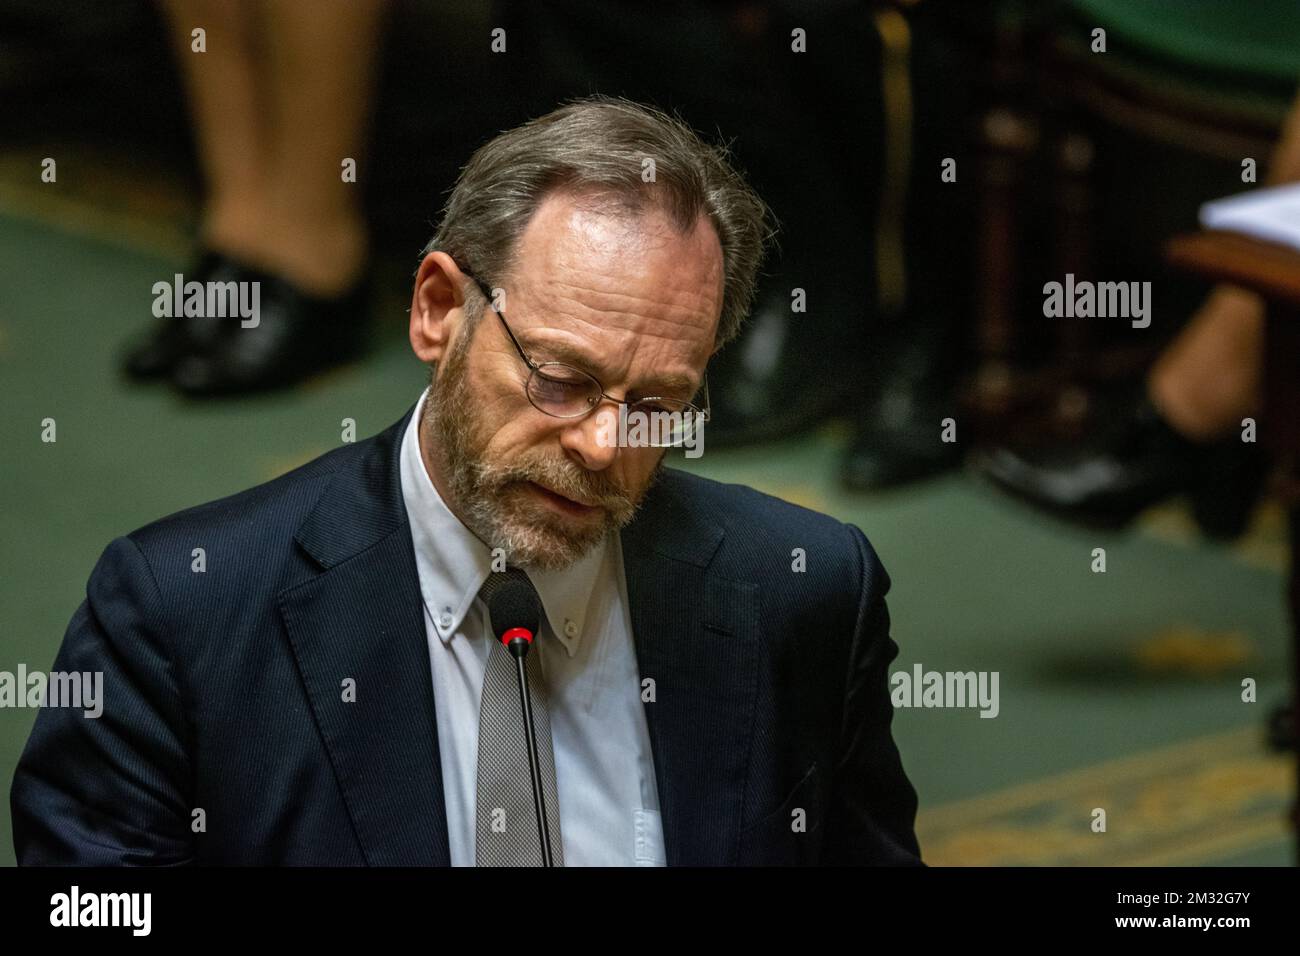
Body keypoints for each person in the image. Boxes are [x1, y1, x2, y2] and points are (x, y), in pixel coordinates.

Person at [11, 97, 922, 866]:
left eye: (657, 403)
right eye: (560, 380)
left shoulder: (805, 591)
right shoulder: (181, 616)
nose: (605, 446)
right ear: (439, 310)